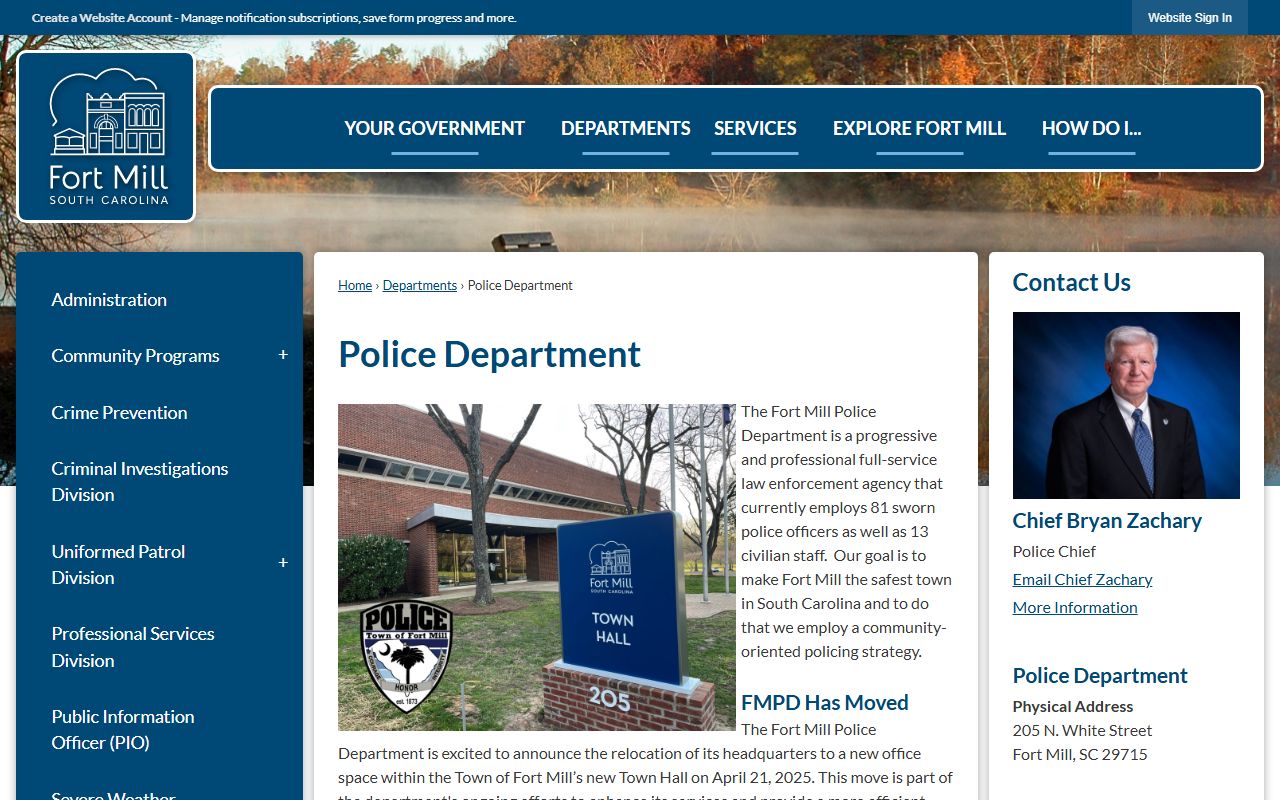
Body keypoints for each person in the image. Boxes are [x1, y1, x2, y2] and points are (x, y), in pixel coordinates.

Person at [1045, 325, 1205, 499]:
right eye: (1126, 362)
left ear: (1154, 366)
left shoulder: (1180, 419)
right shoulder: (1074, 424)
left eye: (1144, 361)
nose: (1136, 371)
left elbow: (1194, 494)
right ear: (1109, 368)